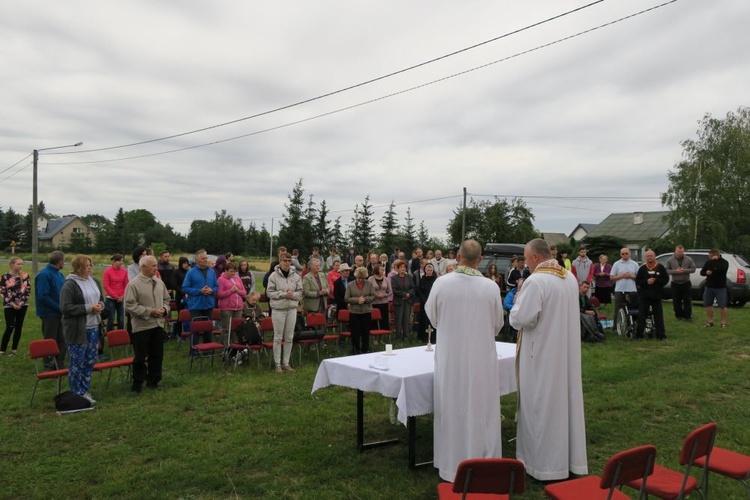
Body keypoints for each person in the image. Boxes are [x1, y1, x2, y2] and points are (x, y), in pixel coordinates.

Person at [424, 240, 504, 482]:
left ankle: (451, 462)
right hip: (480, 356)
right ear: (480, 260)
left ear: (457, 256)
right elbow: (498, 325)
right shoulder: (490, 287)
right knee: (481, 405)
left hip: (451, 357)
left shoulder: (441, 283)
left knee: (452, 405)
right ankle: (484, 458)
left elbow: (433, 317)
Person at [509, 238, 588, 481]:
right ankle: (567, 459)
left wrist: (517, 300)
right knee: (563, 404)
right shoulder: (568, 278)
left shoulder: (536, 281)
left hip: (540, 354)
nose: (524, 262)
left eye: (525, 257)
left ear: (534, 257)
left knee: (539, 405)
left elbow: (521, 319)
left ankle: (542, 465)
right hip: (564, 352)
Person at [60, 255, 105, 405]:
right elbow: (65, 308)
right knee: (77, 362)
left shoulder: (95, 281)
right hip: (77, 329)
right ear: (78, 268)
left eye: (91, 265)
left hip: (93, 326)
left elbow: (101, 300)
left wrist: (100, 307)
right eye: (87, 266)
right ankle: (76, 393)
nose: (91, 268)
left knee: (89, 361)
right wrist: (88, 308)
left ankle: (85, 390)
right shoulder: (70, 284)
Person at [124, 255, 170, 392]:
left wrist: (164, 309)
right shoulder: (133, 284)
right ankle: (138, 382)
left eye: (156, 265)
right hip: (142, 326)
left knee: (157, 354)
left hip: (158, 325)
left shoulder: (159, 283)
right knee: (140, 356)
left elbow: (167, 299)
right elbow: (129, 305)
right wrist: (149, 311)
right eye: (153, 266)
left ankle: (154, 380)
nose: (156, 268)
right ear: (143, 267)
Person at [266, 252, 302, 373]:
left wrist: (293, 295)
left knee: (289, 337)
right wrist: (283, 294)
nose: (287, 263)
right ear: (280, 261)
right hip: (278, 310)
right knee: (278, 337)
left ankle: (286, 362)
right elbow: (269, 293)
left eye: (289, 261)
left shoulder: (296, 276)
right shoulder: (273, 276)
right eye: (284, 260)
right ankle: (277, 364)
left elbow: (300, 292)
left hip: (291, 309)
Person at [35, 251, 67, 370]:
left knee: (62, 339)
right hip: (50, 313)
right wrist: (59, 308)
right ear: (60, 262)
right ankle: (49, 365)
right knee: (50, 339)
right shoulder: (44, 275)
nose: (64, 263)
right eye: (64, 261)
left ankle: (59, 363)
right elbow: (43, 296)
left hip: (61, 313)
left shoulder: (60, 275)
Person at [182, 250, 219, 353]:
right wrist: (199, 291)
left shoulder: (212, 272)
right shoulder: (191, 272)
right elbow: (185, 288)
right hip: (196, 305)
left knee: (208, 328)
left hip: (209, 304)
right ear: (197, 260)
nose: (205, 260)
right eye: (203, 258)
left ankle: (208, 350)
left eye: (206, 258)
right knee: (195, 329)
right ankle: (194, 351)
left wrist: (212, 290)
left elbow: (216, 286)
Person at [635, 250, 669, 340]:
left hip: (656, 295)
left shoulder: (660, 268)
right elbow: (638, 281)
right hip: (644, 296)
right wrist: (646, 281)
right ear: (646, 257)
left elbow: (666, 280)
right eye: (648, 256)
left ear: (654, 256)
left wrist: (656, 280)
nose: (650, 257)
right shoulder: (642, 269)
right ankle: (639, 335)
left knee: (658, 316)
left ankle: (661, 335)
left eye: (651, 255)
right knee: (642, 315)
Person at [1, 257, 31, 356]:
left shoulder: (25, 276)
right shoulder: (5, 276)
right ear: (12, 264)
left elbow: (27, 290)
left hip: (22, 305)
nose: (20, 266)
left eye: (21, 264)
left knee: (18, 326)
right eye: (18, 264)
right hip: (9, 305)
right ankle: (2, 349)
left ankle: (14, 349)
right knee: (10, 326)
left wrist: (21, 303)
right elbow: (3, 291)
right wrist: (12, 304)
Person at [345, 266, 375, 354]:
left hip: (366, 311)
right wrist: (357, 300)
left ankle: (366, 349)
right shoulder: (350, 285)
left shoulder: (369, 284)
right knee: (355, 332)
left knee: (366, 332)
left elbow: (373, 296)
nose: (360, 280)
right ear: (355, 276)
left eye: (362, 278)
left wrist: (365, 299)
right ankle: (356, 349)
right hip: (354, 312)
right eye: (359, 278)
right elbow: (346, 298)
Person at [217, 262, 247, 343]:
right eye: (231, 271)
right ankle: (226, 347)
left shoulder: (237, 278)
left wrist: (237, 291)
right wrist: (231, 291)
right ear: (226, 271)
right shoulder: (221, 279)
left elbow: (244, 292)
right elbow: (219, 294)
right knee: (226, 328)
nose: (233, 273)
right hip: (226, 308)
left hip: (238, 307)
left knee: (236, 328)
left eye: (234, 271)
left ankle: (235, 346)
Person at [610, 248, 639, 332]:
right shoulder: (616, 264)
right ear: (620, 254)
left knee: (632, 309)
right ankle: (616, 327)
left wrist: (631, 276)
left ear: (629, 254)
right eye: (623, 254)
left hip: (632, 290)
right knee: (618, 308)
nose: (625, 255)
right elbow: (611, 277)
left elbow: (639, 278)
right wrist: (622, 276)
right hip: (619, 290)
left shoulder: (634, 264)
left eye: (626, 253)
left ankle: (632, 325)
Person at [665, 245, 696, 321]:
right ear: (675, 251)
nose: (680, 253)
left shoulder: (688, 259)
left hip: (686, 282)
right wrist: (676, 271)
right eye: (678, 251)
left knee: (687, 300)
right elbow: (667, 270)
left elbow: (693, 269)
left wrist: (684, 270)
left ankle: (687, 316)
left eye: (681, 251)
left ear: (683, 251)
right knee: (676, 300)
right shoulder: (670, 260)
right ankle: (678, 315)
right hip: (675, 283)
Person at [700, 249, 729, 328]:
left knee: (722, 305)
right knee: (708, 304)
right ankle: (710, 321)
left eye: (710, 255)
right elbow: (702, 272)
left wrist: (715, 261)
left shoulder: (724, 262)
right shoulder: (708, 262)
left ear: (715, 255)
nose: (709, 257)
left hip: (720, 287)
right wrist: (706, 272)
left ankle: (723, 322)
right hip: (709, 286)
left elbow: (720, 269)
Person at [102, 254, 128, 332]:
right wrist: (116, 297)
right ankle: (110, 335)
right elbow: (106, 286)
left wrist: (123, 296)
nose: (121, 262)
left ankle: (120, 335)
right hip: (110, 298)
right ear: (114, 261)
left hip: (121, 298)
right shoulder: (107, 271)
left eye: (122, 261)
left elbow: (126, 284)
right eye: (119, 261)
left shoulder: (124, 271)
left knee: (121, 318)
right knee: (111, 318)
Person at [390, 260, 415, 342]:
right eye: (401, 267)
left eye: (404, 267)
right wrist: (404, 294)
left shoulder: (409, 277)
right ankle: (398, 338)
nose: (403, 269)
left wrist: (408, 294)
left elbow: (412, 288)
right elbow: (394, 290)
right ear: (397, 268)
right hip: (399, 301)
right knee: (399, 320)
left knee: (406, 319)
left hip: (407, 302)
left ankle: (406, 337)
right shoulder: (394, 278)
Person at [368, 264, 391, 335]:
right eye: (381, 269)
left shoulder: (386, 279)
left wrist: (384, 295)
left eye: (383, 270)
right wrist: (376, 295)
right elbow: (368, 290)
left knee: (383, 319)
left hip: (384, 302)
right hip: (374, 303)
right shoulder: (370, 279)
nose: (383, 271)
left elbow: (390, 291)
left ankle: (383, 336)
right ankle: (374, 336)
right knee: (374, 320)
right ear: (376, 270)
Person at [416, 263, 437, 342]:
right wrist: (424, 299)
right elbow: (419, 291)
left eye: (430, 270)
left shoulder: (435, 280)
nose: (429, 271)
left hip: (433, 302)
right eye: (427, 270)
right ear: (425, 270)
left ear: (432, 271)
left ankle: (433, 338)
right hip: (424, 302)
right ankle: (424, 337)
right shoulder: (422, 279)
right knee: (424, 319)